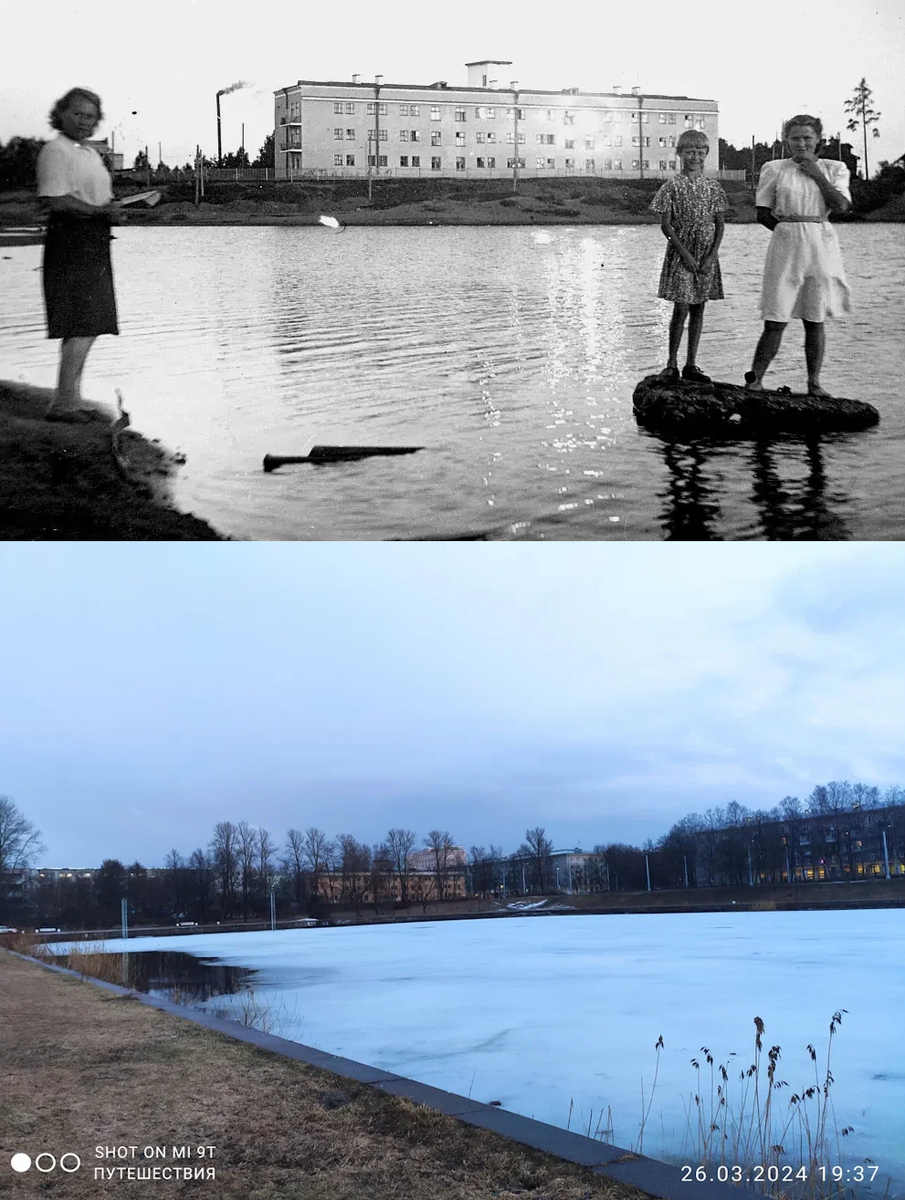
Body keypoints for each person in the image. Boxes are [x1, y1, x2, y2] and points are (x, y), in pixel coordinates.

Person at [745, 115, 851, 397]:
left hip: (821, 244)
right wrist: (787, 231)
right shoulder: (774, 168)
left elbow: (841, 205)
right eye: (795, 138)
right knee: (775, 318)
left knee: (815, 319)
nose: (801, 143)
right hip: (786, 245)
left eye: (807, 138)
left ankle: (814, 383)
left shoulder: (834, 168)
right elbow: (762, 212)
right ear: (786, 140)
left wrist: (816, 173)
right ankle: (754, 380)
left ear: (818, 140)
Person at [36, 87, 123, 421]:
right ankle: (62, 402)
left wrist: (112, 211)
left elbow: (92, 199)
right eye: (78, 114)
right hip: (70, 240)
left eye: (91, 116)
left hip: (92, 240)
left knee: (87, 322)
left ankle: (70, 395)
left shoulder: (88, 153)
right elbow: (56, 201)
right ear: (61, 114)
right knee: (82, 320)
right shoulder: (55, 150)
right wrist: (100, 212)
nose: (85, 121)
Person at [649, 130, 728, 384]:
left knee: (698, 307)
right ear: (680, 154)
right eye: (690, 152)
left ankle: (691, 364)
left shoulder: (713, 187)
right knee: (681, 307)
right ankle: (671, 364)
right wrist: (684, 253)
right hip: (681, 253)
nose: (695, 157)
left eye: (700, 152)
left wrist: (711, 256)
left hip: (706, 255)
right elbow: (666, 226)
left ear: (706, 155)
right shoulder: (671, 186)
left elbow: (720, 224)